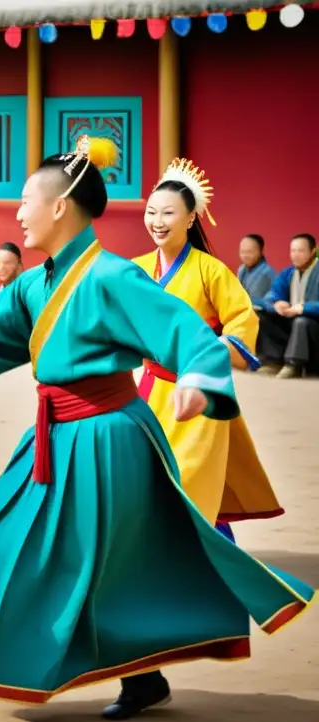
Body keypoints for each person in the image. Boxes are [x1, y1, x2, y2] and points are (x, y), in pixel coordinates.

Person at [0, 137, 313, 722]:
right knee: (27, 551)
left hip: (107, 439)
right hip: (53, 438)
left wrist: (200, 380)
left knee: (63, 559)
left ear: (60, 206)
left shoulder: (111, 277)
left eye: (25, 201)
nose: (17, 213)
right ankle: (137, 676)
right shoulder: (34, 284)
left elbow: (184, 329)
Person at [132, 158, 281, 544]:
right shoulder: (136, 269)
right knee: (150, 480)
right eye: (151, 212)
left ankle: (215, 563)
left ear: (191, 218)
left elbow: (242, 318)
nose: (157, 221)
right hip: (150, 395)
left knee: (191, 480)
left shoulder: (210, 270)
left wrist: (217, 352)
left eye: (168, 213)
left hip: (198, 393)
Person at [256, 233, 319, 378]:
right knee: (265, 317)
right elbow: (270, 297)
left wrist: (304, 308)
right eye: (293, 250)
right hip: (294, 325)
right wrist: (277, 304)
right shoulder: (288, 273)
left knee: (301, 321)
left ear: (313, 251)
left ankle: (294, 365)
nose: (295, 255)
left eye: (301, 251)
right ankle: (273, 362)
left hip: (314, 327)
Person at [237, 234, 275, 305]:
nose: (245, 256)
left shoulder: (267, 272)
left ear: (261, 251)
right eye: (242, 252)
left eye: (249, 252)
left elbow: (271, 302)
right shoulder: (241, 269)